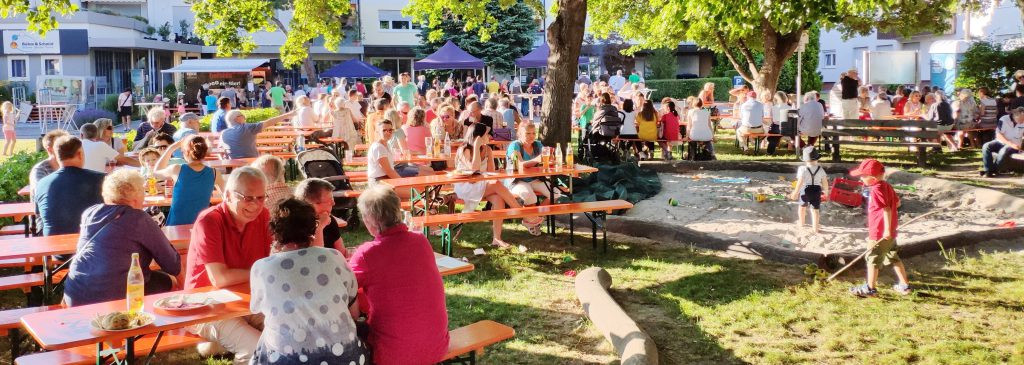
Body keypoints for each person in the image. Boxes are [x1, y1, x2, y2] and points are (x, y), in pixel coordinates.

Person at [247, 198, 368, 365]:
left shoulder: (262, 268)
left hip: (285, 359)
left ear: (274, 231)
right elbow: (354, 312)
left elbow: (258, 309)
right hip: (345, 358)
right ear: (313, 226)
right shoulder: (334, 257)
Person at [348, 185, 450, 364]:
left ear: (370, 220)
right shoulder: (421, 241)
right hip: (436, 346)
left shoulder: (367, 254)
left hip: (394, 355)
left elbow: (341, 287)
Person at [185, 167, 272, 364]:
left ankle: (215, 345)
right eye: (248, 198)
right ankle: (219, 343)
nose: (256, 205)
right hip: (204, 306)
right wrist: (261, 271)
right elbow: (220, 278)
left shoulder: (263, 216)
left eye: (261, 197)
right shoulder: (209, 220)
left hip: (245, 301)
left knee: (289, 334)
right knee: (258, 351)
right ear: (227, 195)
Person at [62, 169, 181, 306]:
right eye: (143, 190)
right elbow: (173, 264)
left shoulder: (90, 213)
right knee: (172, 281)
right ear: (135, 196)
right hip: (115, 295)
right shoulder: (138, 218)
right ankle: (167, 324)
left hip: (75, 292)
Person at [455, 124, 537, 247]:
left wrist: (485, 153)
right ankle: (522, 214)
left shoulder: (487, 149)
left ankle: (496, 239)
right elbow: (474, 170)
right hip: (466, 186)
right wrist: (476, 147)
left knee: (498, 198)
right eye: (487, 134)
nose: (490, 136)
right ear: (478, 137)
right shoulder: (465, 149)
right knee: (496, 184)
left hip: (482, 185)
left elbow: (491, 173)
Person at [848, 159, 910, 297]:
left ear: (873, 177)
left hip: (879, 232)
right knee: (893, 256)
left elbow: (886, 209)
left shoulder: (876, 190)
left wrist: (886, 229)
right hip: (891, 231)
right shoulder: (886, 186)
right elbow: (897, 203)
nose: (861, 178)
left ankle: (870, 288)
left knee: (872, 259)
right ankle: (904, 285)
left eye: (863, 176)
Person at [34, 136, 105, 236]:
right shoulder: (102, 179)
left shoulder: (42, 183)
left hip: (52, 243)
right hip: (90, 242)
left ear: (57, 156)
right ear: (80, 154)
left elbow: (39, 215)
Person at [152, 136, 223, 225]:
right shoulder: (215, 173)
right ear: (204, 152)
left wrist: (171, 148)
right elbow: (227, 197)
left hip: (175, 225)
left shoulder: (176, 169)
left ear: (185, 152)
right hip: (202, 225)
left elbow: (155, 172)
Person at [506, 123, 552, 236]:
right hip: (517, 180)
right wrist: (537, 160)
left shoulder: (538, 144)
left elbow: (547, 160)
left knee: (555, 194)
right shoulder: (514, 145)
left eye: (533, 133)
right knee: (529, 195)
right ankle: (534, 221)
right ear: (520, 134)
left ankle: (533, 219)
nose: (531, 136)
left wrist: (551, 158)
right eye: (527, 133)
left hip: (535, 179)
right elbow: (520, 164)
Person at [294, 178, 346, 252]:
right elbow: (315, 256)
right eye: (329, 200)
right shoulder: (295, 227)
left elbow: (342, 252)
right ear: (312, 204)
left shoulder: (329, 221)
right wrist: (320, 227)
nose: (333, 203)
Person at [220, 110, 296, 159]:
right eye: (242, 116)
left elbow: (222, 152)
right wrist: (287, 114)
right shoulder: (247, 127)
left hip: (233, 165)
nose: (244, 118)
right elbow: (268, 122)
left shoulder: (223, 133)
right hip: (251, 162)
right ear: (237, 119)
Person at [789, 147, 830, 233]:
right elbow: (825, 182)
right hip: (816, 190)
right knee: (815, 210)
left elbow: (800, 182)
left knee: (802, 207)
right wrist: (826, 192)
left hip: (805, 190)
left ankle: (801, 223)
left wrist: (795, 192)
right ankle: (815, 228)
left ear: (805, 160)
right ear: (817, 159)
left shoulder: (802, 169)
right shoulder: (820, 169)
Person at [980, 107, 1024, 177]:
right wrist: (1010, 143)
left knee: (1003, 151)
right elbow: (998, 134)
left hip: (1015, 145)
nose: (1023, 121)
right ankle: (988, 169)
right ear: (1016, 116)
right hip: (1002, 142)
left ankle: (991, 171)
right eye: (1022, 119)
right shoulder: (1004, 119)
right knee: (986, 146)